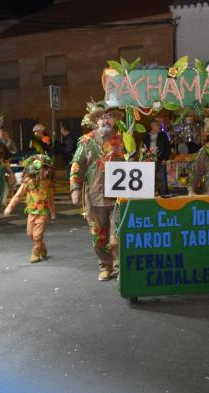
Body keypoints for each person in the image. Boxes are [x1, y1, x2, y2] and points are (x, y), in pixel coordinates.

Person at [70, 106, 130, 281]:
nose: (105, 120)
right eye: (101, 117)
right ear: (96, 120)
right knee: (98, 236)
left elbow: (132, 164)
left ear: (115, 121)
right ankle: (105, 265)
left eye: (110, 116)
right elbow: (77, 166)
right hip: (93, 196)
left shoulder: (123, 141)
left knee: (117, 234)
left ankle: (119, 267)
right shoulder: (86, 141)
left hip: (118, 196)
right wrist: (75, 189)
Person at [4, 155, 56, 263]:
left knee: (37, 235)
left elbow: (50, 198)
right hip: (31, 212)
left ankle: (35, 252)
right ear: (35, 170)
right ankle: (41, 245)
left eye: (46, 169)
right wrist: (10, 207)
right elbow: (18, 196)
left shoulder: (48, 183)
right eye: (43, 169)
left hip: (43, 212)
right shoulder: (28, 182)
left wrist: (52, 211)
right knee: (30, 234)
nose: (45, 172)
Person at [143, 117, 171, 195]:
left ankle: (164, 194)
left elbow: (167, 148)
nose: (159, 127)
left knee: (162, 177)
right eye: (157, 125)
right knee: (151, 178)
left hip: (161, 159)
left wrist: (165, 158)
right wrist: (145, 158)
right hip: (150, 160)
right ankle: (151, 193)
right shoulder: (146, 136)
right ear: (152, 125)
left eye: (159, 125)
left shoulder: (163, 135)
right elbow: (144, 148)